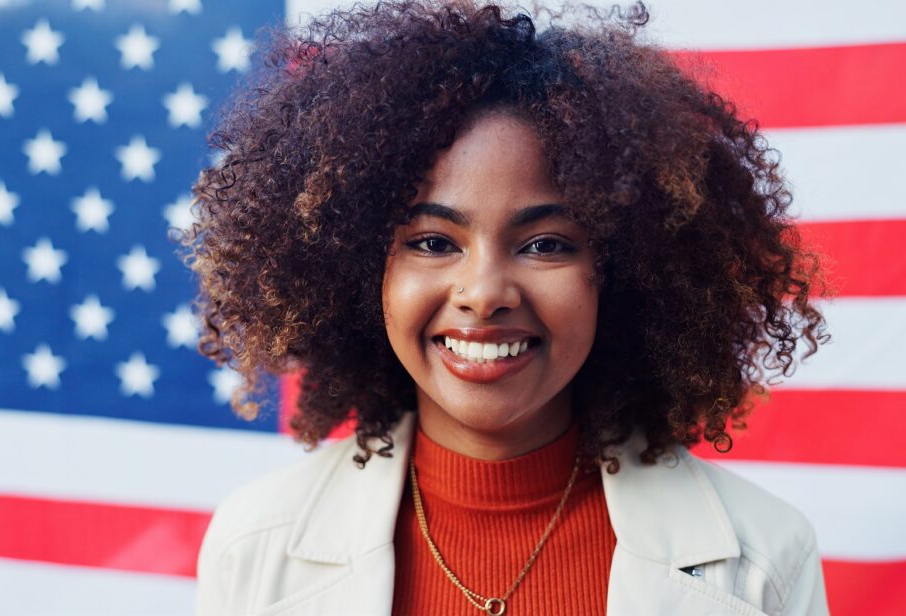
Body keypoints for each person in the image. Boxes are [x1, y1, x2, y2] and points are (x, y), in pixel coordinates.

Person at [182, 0, 834, 613]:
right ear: (357, 271)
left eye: (546, 244)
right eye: (434, 242)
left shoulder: (762, 560)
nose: (485, 292)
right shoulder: (256, 545)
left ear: (626, 272)